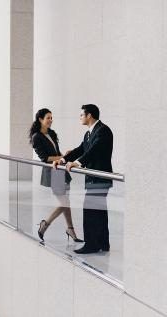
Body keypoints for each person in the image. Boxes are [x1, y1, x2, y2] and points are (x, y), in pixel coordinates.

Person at [54, 104, 113, 254]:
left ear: (89, 116)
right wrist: (62, 160)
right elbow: (80, 149)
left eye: (81, 115)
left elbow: (94, 151)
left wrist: (78, 163)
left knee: (91, 210)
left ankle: (92, 245)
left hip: (100, 178)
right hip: (93, 178)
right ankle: (103, 243)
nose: (80, 117)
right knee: (99, 211)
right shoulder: (89, 133)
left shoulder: (103, 131)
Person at [29, 108, 83, 243]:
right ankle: (45, 224)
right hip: (53, 171)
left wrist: (64, 156)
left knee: (66, 202)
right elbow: (45, 158)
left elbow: (57, 153)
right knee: (64, 202)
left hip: (61, 169)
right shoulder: (37, 137)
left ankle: (70, 229)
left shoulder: (51, 133)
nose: (51, 120)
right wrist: (64, 156)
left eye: (51, 118)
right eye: (48, 118)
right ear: (40, 119)